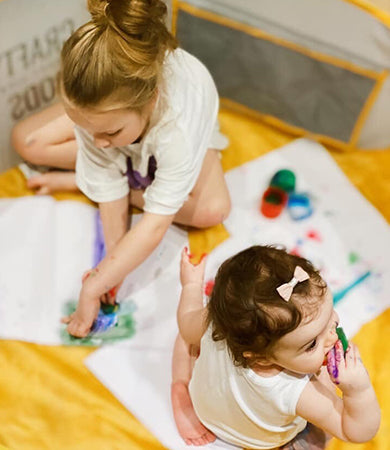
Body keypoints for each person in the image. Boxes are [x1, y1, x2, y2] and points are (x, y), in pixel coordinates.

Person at [12, 0, 231, 337]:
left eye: (110, 132)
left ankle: (86, 179)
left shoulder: (178, 132)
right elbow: (103, 155)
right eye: (81, 126)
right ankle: (101, 166)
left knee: (213, 210)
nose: (97, 141)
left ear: (152, 100)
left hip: (178, 136)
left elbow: (156, 225)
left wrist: (94, 285)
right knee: (28, 141)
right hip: (117, 114)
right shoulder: (99, 122)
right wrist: (112, 267)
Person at [172, 245, 380, 448]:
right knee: (319, 435)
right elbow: (355, 430)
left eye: (329, 317)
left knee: (184, 338)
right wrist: (358, 391)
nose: (332, 336)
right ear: (261, 358)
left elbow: (185, 322)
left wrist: (191, 285)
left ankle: (180, 385)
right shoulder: (297, 390)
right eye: (312, 344)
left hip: (207, 406)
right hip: (260, 440)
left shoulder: (218, 320)